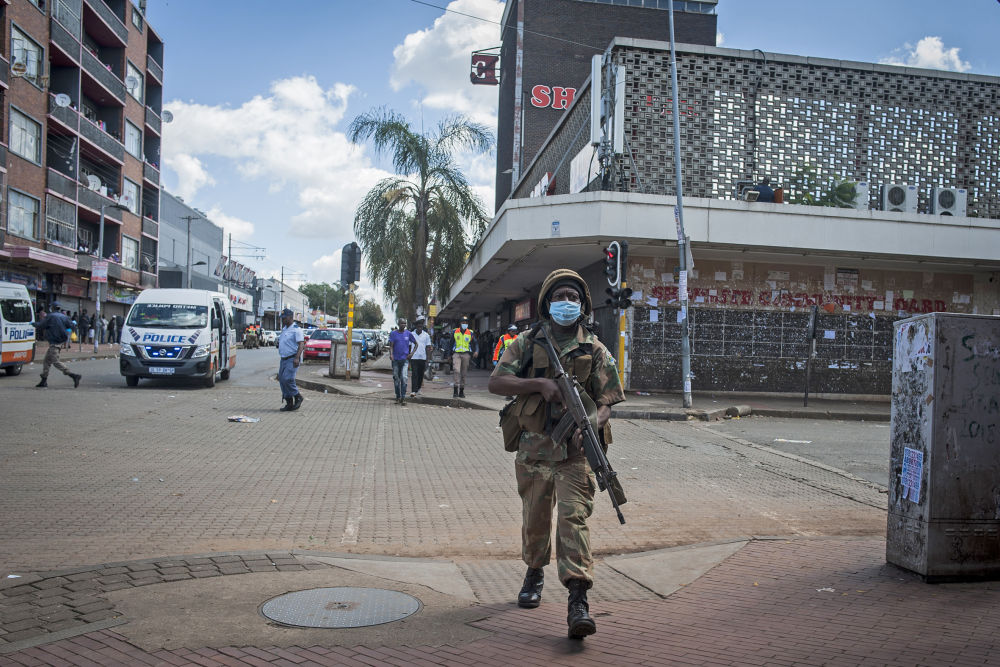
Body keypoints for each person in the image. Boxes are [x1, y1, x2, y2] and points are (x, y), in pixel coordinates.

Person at [488, 269, 625, 640]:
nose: (567, 303)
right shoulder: (527, 342)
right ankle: (534, 573)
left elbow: (609, 401)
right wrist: (539, 384)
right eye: (560, 296)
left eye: (573, 297)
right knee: (535, 519)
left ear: (583, 305)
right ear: (548, 303)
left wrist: (590, 424)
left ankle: (578, 599)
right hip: (534, 449)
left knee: (572, 520)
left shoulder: (595, 348)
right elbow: (496, 381)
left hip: (575, 455)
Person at [35, 301, 82, 389]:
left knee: (55, 361)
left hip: (54, 342)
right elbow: (71, 325)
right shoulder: (64, 317)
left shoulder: (51, 316)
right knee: (46, 361)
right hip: (60, 341)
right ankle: (44, 380)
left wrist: (33, 324)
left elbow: (41, 325)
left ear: (52, 308)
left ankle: (73, 375)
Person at [276, 308, 304, 412]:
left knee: (288, 379)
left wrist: (297, 358)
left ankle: (297, 396)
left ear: (291, 317)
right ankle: (289, 402)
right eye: (282, 318)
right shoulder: (285, 328)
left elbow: (301, 344)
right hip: (283, 358)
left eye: (285, 318)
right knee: (282, 380)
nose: (283, 320)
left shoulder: (296, 329)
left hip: (292, 358)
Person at [388, 318, 416, 405]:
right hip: (395, 360)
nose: (403, 325)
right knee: (396, 378)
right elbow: (391, 346)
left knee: (404, 377)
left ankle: (403, 397)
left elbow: (416, 344)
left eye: (405, 323)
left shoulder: (408, 333)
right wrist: (391, 354)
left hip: (405, 360)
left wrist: (411, 353)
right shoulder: (393, 334)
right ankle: (398, 396)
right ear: (398, 324)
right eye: (402, 323)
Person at [450, 315, 477, 398]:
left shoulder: (470, 332)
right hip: (456, 354)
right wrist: (448, 355)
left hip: (466, 354)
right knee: (456, 370)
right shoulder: (455, 331)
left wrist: (476, 351)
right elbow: (450, 343)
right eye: (463, 322)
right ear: (460, 323)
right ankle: (455, 390)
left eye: (466, 322)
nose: (464, 323)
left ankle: (461, 391)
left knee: (464, 374)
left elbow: (475, 343)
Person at [409, 318, 433, 397]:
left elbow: (428, 347)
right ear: (416, 326)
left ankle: (418, 389)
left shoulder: (426, 335)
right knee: (414, 374)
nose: (420, 328)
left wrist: (428, 359)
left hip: (423, 357)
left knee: (420, 375)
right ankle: (413, 391)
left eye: (421, 326)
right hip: (414, 357)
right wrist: (409, 356)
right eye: (418, 326)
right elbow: (409, 346)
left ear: (422, 327)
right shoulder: (411, 334)